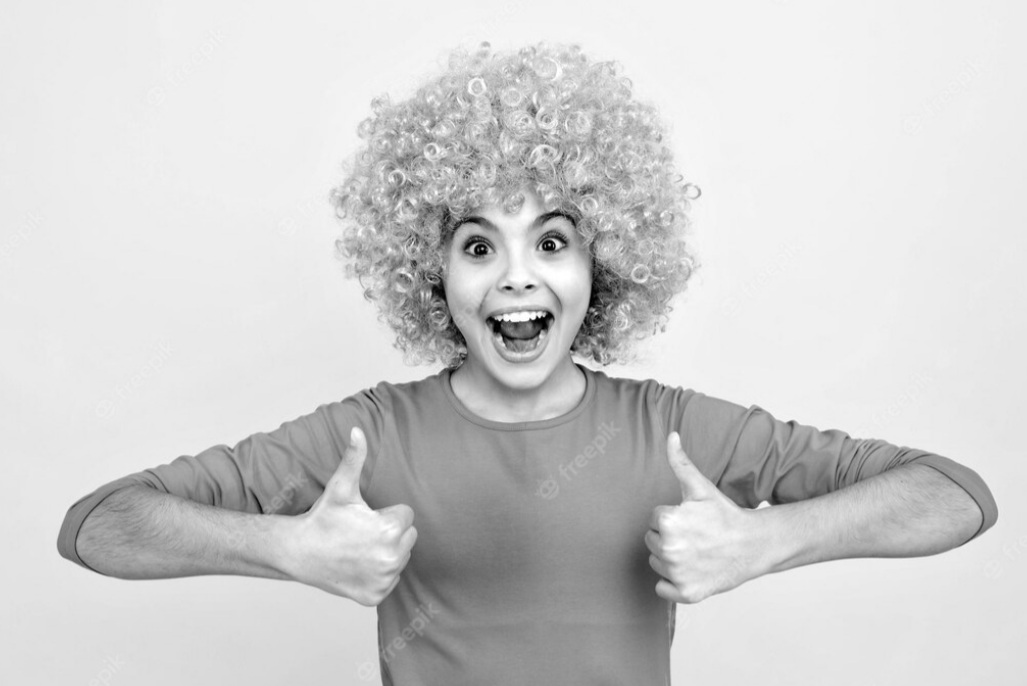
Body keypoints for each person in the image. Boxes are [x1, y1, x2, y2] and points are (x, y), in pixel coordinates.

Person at [58, 42, 998, 686]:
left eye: (551, 242)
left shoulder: (671, 431)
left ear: (603, 264)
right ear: (430, 271)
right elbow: (99, 527)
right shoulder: (369, 435)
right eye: (478, 246)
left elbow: (954, 497)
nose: (516, 277)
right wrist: (285, 549)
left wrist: (769, 541)